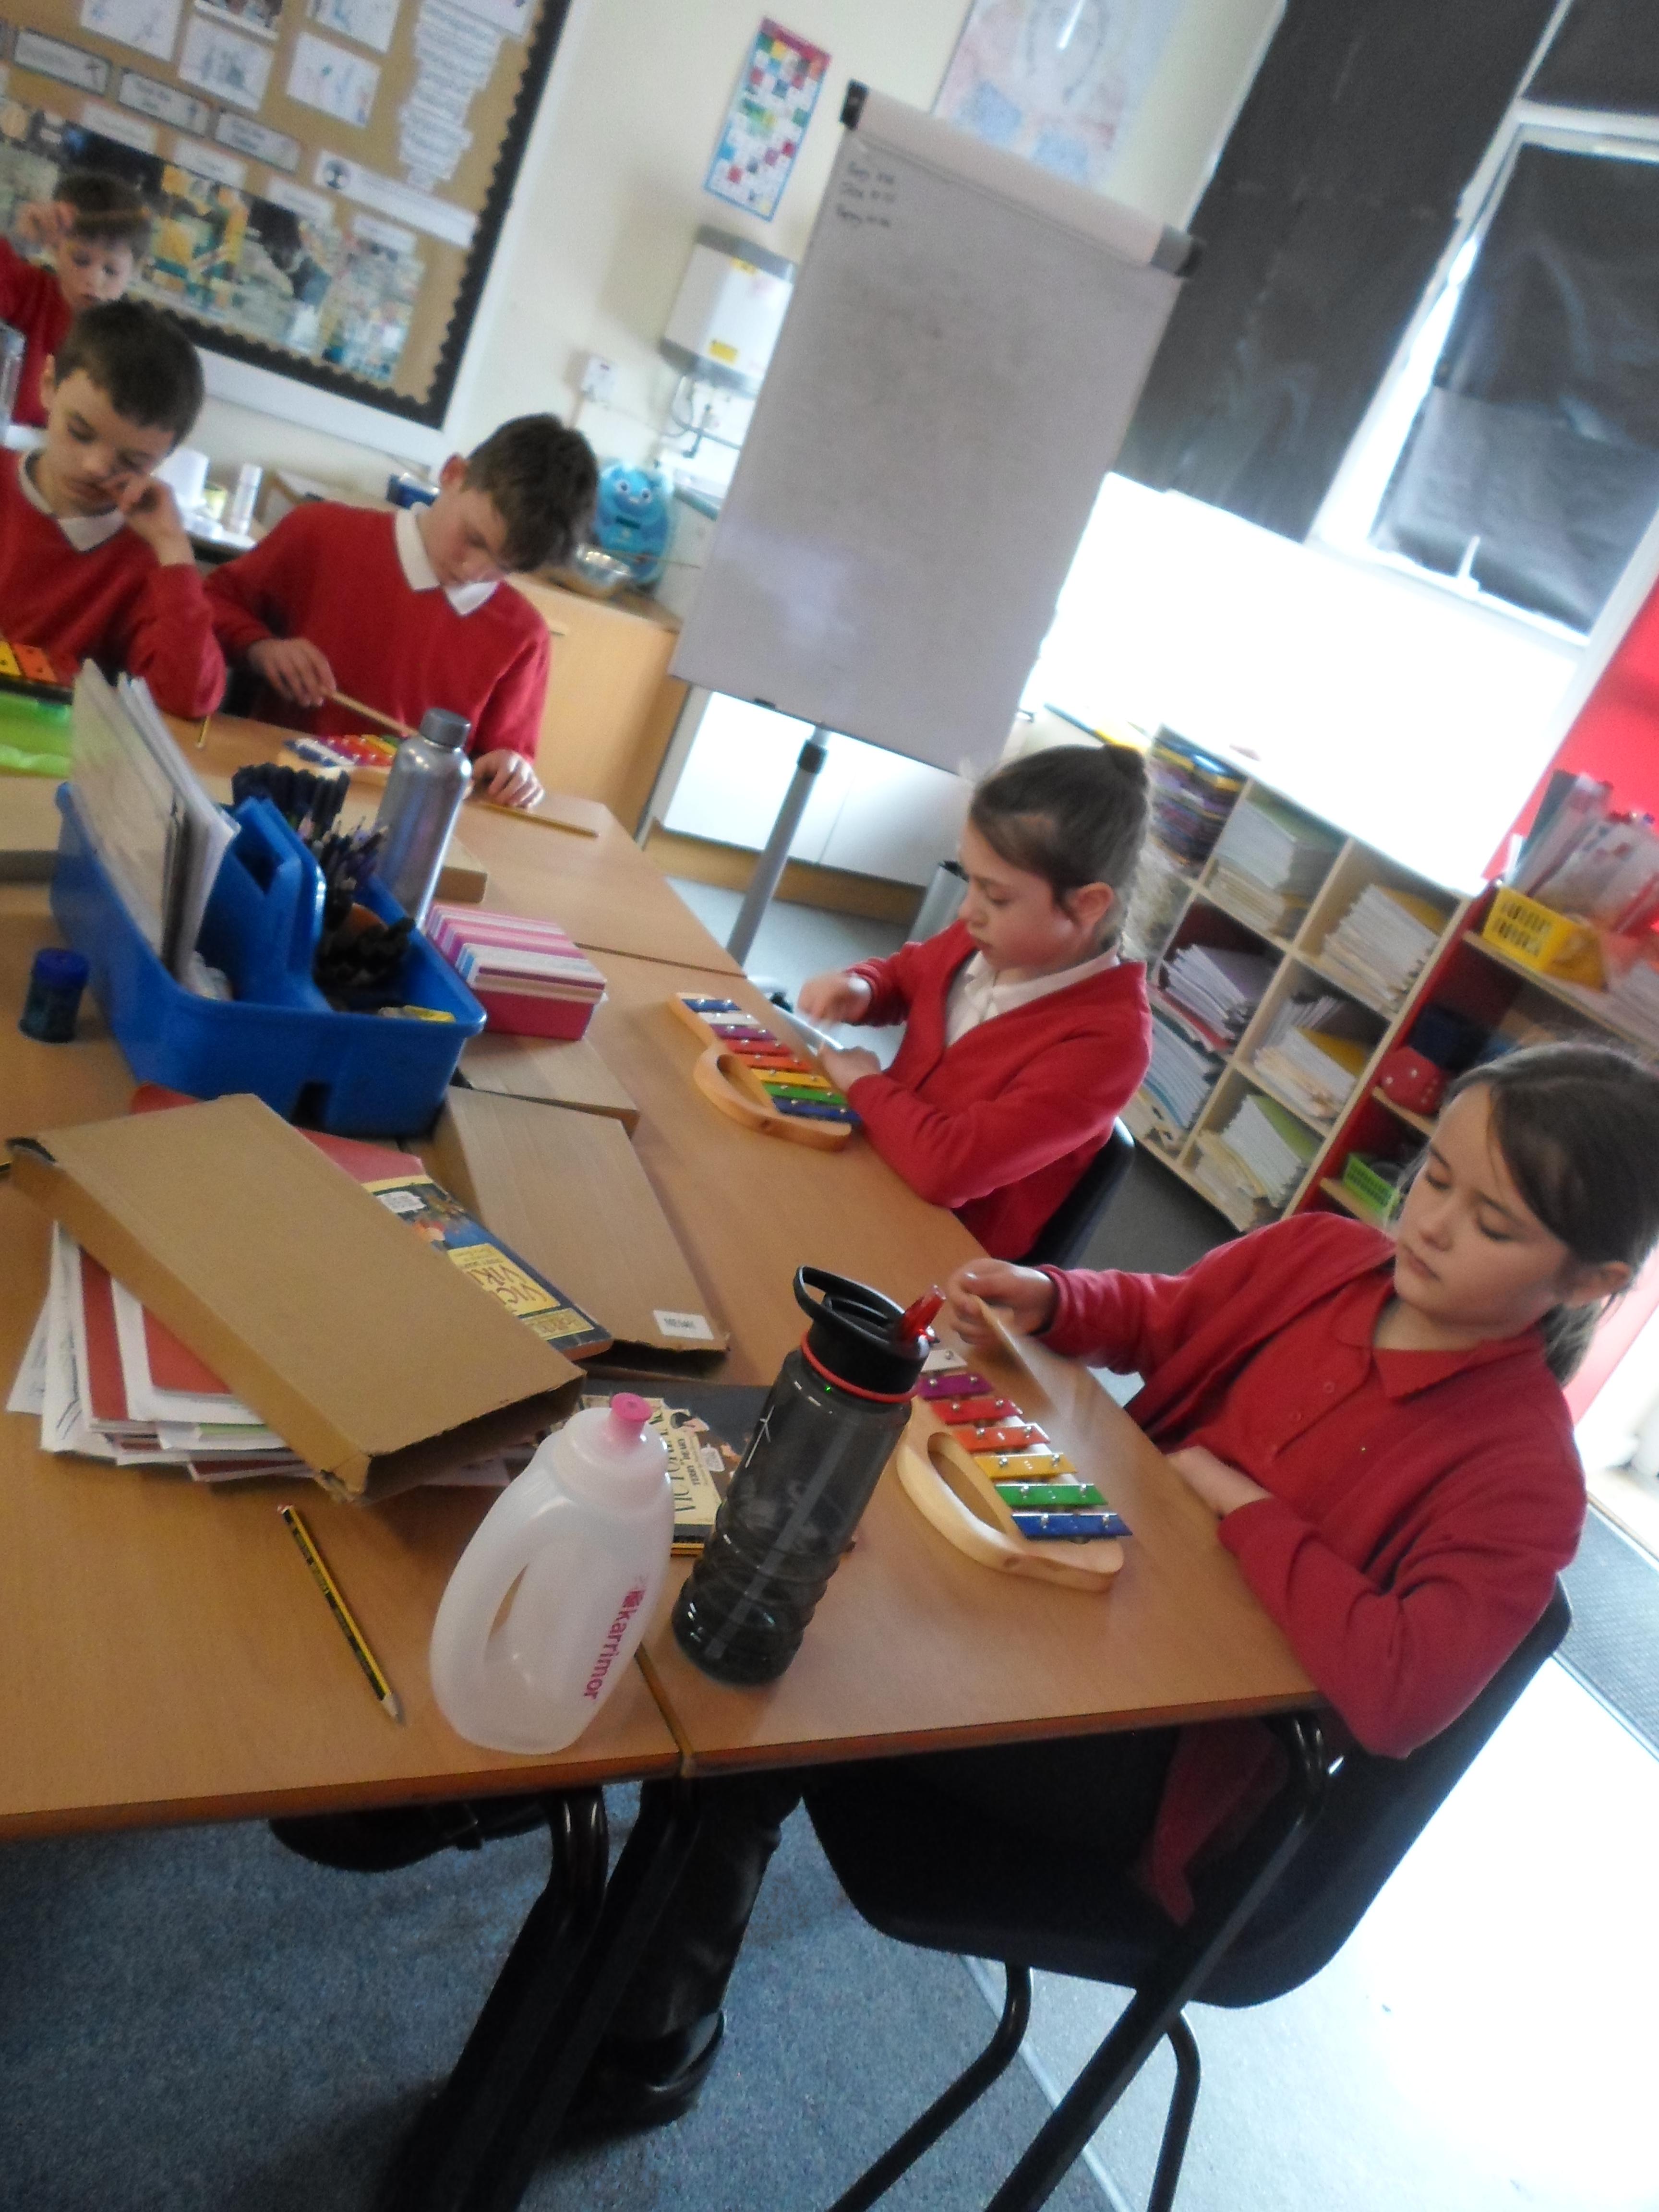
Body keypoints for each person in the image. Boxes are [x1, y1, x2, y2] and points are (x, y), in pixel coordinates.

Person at [527, 1038, 1659, 2134]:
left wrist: (1243, 1507)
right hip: (1081, 1609)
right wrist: (1055, 1298)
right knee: (829, 1573)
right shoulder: (1324, 1256)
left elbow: (1402, 1694)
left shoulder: (1522, 1476)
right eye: (1435, 1178)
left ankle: (640, 2043)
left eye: (1492, 1224)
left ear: (1592, 1282)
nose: (1433, 1224)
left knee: (796, 1684)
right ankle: (631, 1972)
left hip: (1160, 1759)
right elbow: (1166, 1314)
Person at [796, 742, 1153, 1259]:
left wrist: (863, 1083)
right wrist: (862, 989)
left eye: (996, 896)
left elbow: (947, 1171)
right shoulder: (984, 940)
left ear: (1088, 904)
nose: (966, 911)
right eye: (970, 882)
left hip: (940, 1253)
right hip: (874, 1165)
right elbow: (907, 976)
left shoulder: (1108, 1044)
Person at [204, 415, 598, 810]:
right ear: (453, 474)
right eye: (474, 539)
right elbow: (211, 603)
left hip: (405, 821)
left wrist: (512, 771)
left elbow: (502, 762)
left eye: (505, 567)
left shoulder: (524, 636)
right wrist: (260, 648)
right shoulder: (320, 533)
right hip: (272, 793)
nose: (473, 570)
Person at [0, 299, 224, 718]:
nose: (96, 467)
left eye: (133, 462)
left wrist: (173, 548)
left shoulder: (144, 560)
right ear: (48, 385)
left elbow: (188, 697)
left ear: (162, 461)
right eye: (79, 432)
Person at [0, 172, 150, 429]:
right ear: (55, 249)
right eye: (81, 260)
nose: (94, 279)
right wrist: (19, 242)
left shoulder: (130, 342)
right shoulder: (29, 288)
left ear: (135, 271)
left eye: (111, 270)